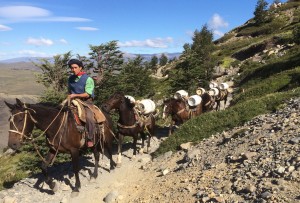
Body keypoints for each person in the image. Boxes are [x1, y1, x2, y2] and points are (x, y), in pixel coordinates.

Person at [67, 59, 95, 147]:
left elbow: (87, 94)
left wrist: (75, 95)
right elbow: (69, 91)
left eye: (75, 67)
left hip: (86, 102)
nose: (73, 70)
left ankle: (90, 138)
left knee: (90, 118)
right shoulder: (70, 79)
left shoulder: (88, 79)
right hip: (73, 101)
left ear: (81, 68)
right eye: (72, 68)